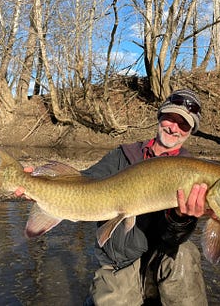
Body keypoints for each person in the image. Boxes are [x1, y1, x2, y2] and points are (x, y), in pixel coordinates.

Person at [82, 88, 210, 306]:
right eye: (170, 118)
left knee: (185, 253)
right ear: (160, 117)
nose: (174, 128)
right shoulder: (124, 155)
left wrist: (182, 219)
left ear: (190, 131)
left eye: (183, 124)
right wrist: (43, 181)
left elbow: (173, 239)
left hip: (162, 258)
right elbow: (85, 181)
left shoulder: (193, 173)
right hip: (120, 260)